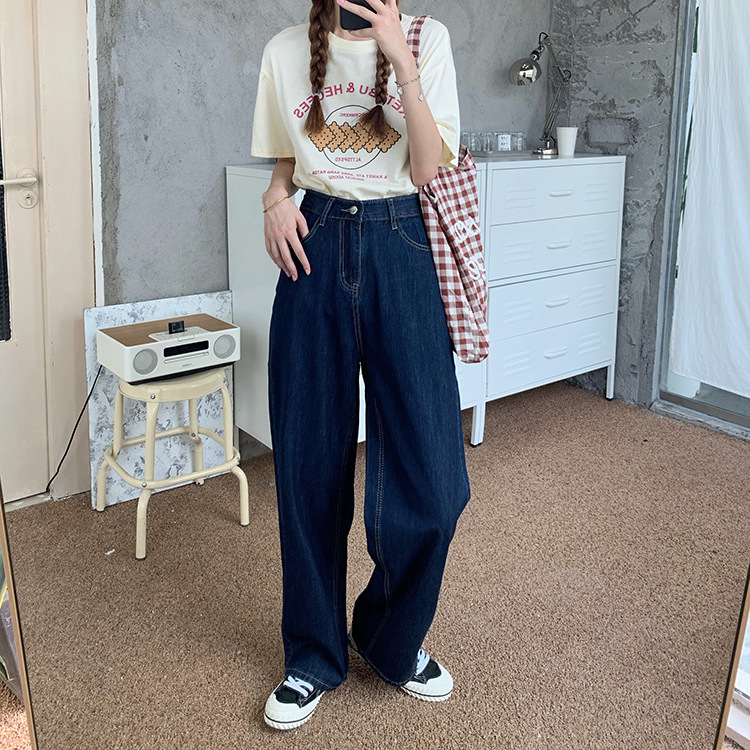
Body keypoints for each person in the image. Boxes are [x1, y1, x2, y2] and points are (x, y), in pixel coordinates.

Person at [250, 0, 471, 731]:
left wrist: (400, 60)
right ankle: (314, 654)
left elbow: (430, 166)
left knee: (435, 484)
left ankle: (387, 635)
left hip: (402, 244)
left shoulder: (426, 40)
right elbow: (288, 157)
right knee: (308, 465)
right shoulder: (285, 50)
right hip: (314, 244)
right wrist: (274, 198)